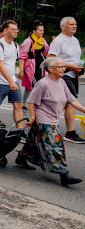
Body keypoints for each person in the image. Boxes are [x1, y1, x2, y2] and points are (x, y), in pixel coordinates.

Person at [17, 57, 85, 186]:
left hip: (53, 119)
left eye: (64, 67)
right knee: (55, 146)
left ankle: (21, 158)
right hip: (44, 119)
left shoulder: (62, 82)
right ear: (50, 68)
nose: (63, 69)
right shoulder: (43, 83)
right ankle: (64, 175)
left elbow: (71, 99)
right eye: (60, 67)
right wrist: (32, 117)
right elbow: (30, 101)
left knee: (32, 141)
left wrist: (84, 109)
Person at [46, 16, 84, 144]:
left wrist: (79, 69)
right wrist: (70, 66)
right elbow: (50, 59)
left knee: (66, 103)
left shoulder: (75, 40)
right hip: (62, 75)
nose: (74, 26)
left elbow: (76, 59)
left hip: (73, 75)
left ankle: (40, 121)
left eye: (75, 24)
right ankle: (71, 132)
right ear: (63, 26)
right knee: (73, 101)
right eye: (71, 24)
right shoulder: (58, 41)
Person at [0, 20, 23, 132]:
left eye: (17, 29)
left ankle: (19, 131)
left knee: (19, 105)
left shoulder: (16, 45)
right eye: (13, 29)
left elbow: (13, 62)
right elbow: (0, 66)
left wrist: (16, 75)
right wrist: (11, 82)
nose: (16, 31)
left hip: (11, 79)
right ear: (5, 31)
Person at [19, 20, 49, 109]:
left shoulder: (42, 40)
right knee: (38, 85)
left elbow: (47, 51)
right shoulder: (28, 41)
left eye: (43, 30)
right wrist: (21, 71)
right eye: (40, 30)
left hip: (39, 66)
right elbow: (22, 56)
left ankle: (24, 105)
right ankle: (38, 105)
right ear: (34, 31)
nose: (42, 32)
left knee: (31, 86)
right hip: (31, 67)